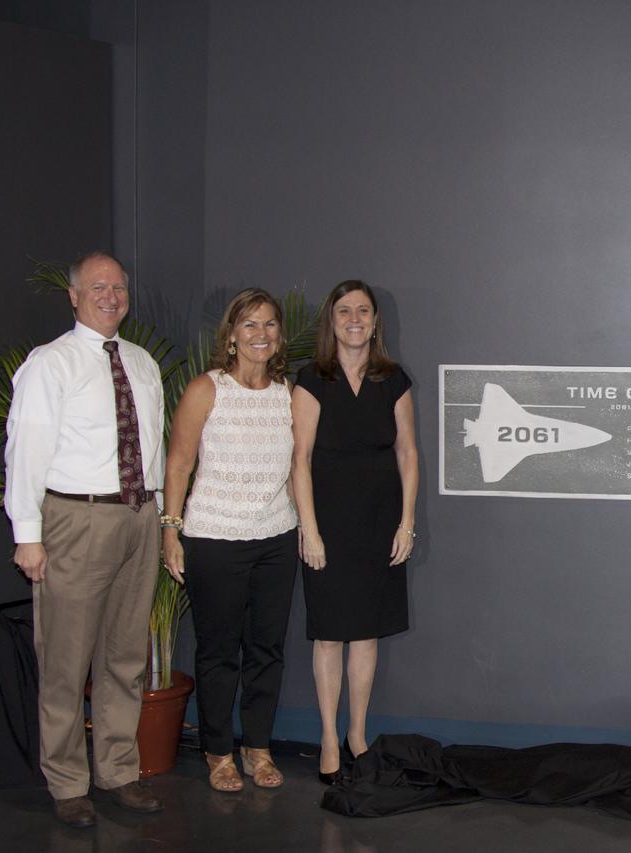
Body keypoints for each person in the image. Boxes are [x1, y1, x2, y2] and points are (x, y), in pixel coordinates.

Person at [4, 251, 166, 827]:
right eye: (97, 287)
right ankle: (68, 781)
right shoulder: (50, 364)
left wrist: (162, 516)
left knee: (124, 658)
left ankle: (118, 771)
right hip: (77, 521)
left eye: (118, 287)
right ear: (73, 295)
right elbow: (25, 452)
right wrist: (29, 536)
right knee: (67, 662)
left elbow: (154, 449)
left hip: (139, 519)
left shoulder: (143, 363)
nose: (110, 296)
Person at [161, 288, 299, 792]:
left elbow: (295, 470)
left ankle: (257, 750)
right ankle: (218, 753)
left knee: (267, 649)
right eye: (249, 325)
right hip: (214, 538)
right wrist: (170, 531)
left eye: (268, 325)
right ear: (232, 336)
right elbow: (178, 463)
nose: (260, 334)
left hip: (276, 540)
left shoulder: (289, 394)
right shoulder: (207, 389)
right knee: (219, 652)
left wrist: (305, 528)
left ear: (278, 336)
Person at [291, 280, 419, 784]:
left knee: (365, 633)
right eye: (344, 311)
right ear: (332, 320)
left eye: (362, 311)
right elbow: (299, 460)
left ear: (374, 321)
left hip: (379, 522)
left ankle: (358, 734)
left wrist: (407, 522)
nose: (354, 319)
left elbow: (408, 453)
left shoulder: (394, 379)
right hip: (328, 522)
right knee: (329, 636)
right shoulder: (311, 378)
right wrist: (310, 530)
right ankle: (327, 737)